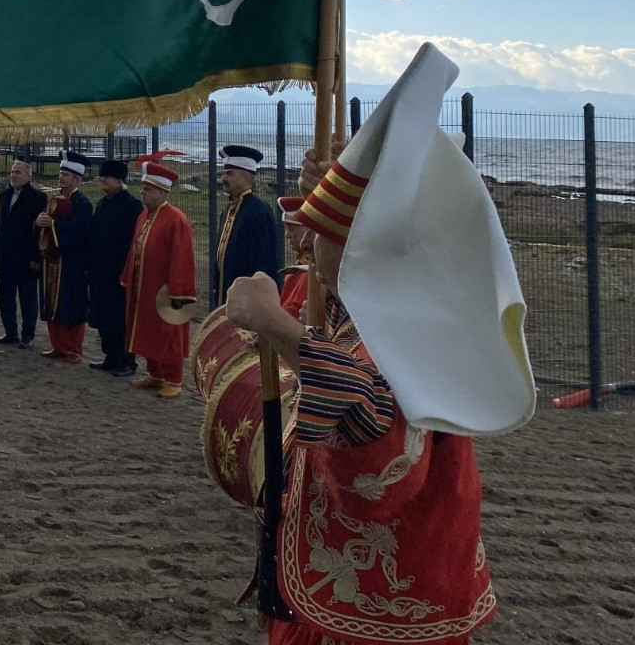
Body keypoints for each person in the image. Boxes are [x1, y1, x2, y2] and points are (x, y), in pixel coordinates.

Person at [226, 143, 499, 644]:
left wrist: (274, 324)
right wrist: (333, 184)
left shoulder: (408, 323)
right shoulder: (389, 296)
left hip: (384, 593)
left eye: (321, 229)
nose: (306, 240)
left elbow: (368, 414)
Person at [123, 162, 197, 397]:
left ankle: (174, 381)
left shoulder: (176, 219)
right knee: (146, 329)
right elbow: (134, 247)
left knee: (169, 334)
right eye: (144, 188)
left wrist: (178, 291)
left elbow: (182, 257)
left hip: (165, 290)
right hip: (143, 285)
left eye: (150, 189)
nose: (143, 192)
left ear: (164, 192)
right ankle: (154, 374)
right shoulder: (143, 215)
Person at [36, 151, 94, 362]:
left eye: (66, 175)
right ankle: (58, 345)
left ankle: (74, 349)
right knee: (52, 303)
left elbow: (79, 231)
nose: (61, 178)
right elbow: (47, 226)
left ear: (77, 179)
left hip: (72, 263)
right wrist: (41, 222)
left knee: (72, 304)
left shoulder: (83, 204)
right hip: (52, 261)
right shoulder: (55, 200)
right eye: (60, 174)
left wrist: (53, 224)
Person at [87, 159, 142, 376]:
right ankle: (110, 355)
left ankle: (127, 361)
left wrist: (125, 270)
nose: (102, 179)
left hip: (120, 273)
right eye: (102, 176)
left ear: (119, 180)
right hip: (100, 270)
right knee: (103, 317)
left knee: (120, 318)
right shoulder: (102, 203)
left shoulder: (132, 206)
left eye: (106, 177)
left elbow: (132, 241)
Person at [0, 159, 46, 347]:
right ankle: (10, 332)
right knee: (5, 297)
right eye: (12, 172)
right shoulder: (4, 195)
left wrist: (35, 257)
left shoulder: (38, 198)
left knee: (27, 298)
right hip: (4, 254)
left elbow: (39, 231)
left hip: (25, 256)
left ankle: (28, 334)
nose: (14, 175)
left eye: (18, 172)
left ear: (28, 176)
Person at [214, 144, 279, 302]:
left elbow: (263, 263)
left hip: (248, 302)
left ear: (245, 176)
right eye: (223, 173)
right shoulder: (228, 210)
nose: (223, 179)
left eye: (229, 174)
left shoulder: (259, 211)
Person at [276, 196, 314, 320]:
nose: (287, 235)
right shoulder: (303, 262)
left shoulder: (313, 270)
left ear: (309, 230)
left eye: (291, 229)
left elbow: (294, 313)